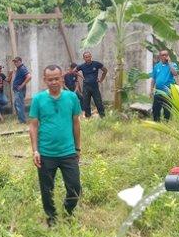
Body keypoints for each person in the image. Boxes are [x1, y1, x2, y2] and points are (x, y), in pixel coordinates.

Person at [29, 65, 82, 227]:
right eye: (50, 79)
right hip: (46, 153)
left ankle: (67, 212)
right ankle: (51, 219)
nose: (54, 82)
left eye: (57, 78)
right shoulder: (38, 99)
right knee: (47, 190)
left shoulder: (71, 98)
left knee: (75, 188)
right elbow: (33, 126)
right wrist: (35, 150)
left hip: (68, 152)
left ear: (62, 79)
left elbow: (76, 123)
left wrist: (78, 148)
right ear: (45, 80)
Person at [150, 50, 179, 122]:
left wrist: (169, 63)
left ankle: (167, 123)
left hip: (168, 91)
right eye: (163, 55)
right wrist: (151, 90)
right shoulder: (157, 66)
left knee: (167, 109)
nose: (164, 56)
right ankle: (156, 123)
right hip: (158, 92)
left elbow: (175, 73)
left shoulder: (173, 64)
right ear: (160, 56)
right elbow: (153, 79)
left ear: (168, 56)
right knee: (156, 109)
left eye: (166, 55)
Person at [77, 51, 107, 118]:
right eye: (86, 57)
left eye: (89, 56)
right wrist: (82, 77)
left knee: (98, 102)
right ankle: (88, 118)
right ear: (84, 58)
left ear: (91, 56)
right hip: (86, 87)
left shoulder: (96, 64)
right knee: (86, 103)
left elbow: (105, 70)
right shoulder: (82, 66)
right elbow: (74, 71)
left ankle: (103, 116)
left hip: (94, 87)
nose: (88, 58)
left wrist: (101, 80)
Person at [9, 57, 32, 124]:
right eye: (14, 62)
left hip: (19, 90)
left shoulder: (22, 68)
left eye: (17, 62)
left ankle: (22, 121)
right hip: (17, 90)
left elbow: (29, 76)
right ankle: (21, 119)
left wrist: (22, 85)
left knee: (19, 105)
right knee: (17, 104)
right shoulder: (19, 69)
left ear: (20, 61)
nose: (15, 63)